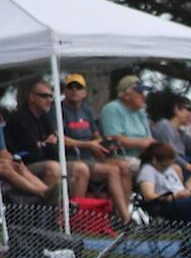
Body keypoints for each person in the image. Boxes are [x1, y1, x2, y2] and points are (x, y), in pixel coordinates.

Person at [58, 73, 133, 222]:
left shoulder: (86, 110)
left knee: (124, 166)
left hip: (91, 156)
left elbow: (95, 134)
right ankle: (75, 219)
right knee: (107, 171)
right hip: (71, 157)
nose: (74, 91)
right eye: (70, 87)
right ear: (65, 91)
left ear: (84, 92)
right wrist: (87, 144)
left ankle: (120, 217)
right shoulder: (59, 110)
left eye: (78, 88)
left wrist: (104, 144)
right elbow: (58, 138)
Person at [5, 76, 81, 194]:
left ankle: (75, 209)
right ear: (32, 97)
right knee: (53, 168)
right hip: (23, 165)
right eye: (44, 96)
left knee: (80, 169)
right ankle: (49, 210)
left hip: (47, 159)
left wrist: (44, 144)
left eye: (51, 96)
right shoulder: (19, 118)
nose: (49, 100)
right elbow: (33, 152)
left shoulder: (44, 116)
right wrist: (45, 144)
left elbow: (55, 143)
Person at [136, 142, 191, 222]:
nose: (167, 167)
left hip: (182, 198)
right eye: (164, 165)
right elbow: (149, 197)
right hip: (167, 204)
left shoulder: (171, 168)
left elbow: (177, 186)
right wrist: (174, 197)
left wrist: (188, 189)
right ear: (154, 160)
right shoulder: (147, 171)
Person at [150, 96, 191, 190]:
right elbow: (169, 154)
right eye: (188, 109)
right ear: (177, 109)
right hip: (167, 165)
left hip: (183, 166)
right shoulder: (164, 125)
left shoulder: (182, 133)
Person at [98, 75, 156, 169]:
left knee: (174, 168)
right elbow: (114, 139)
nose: (144, 97)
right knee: (152, 169)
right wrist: (142, 143)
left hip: (143, 156)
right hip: (121, 156)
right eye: (139, 92)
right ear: (126, 95)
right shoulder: (112, 108)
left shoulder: (140, 112)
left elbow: (149, 140)